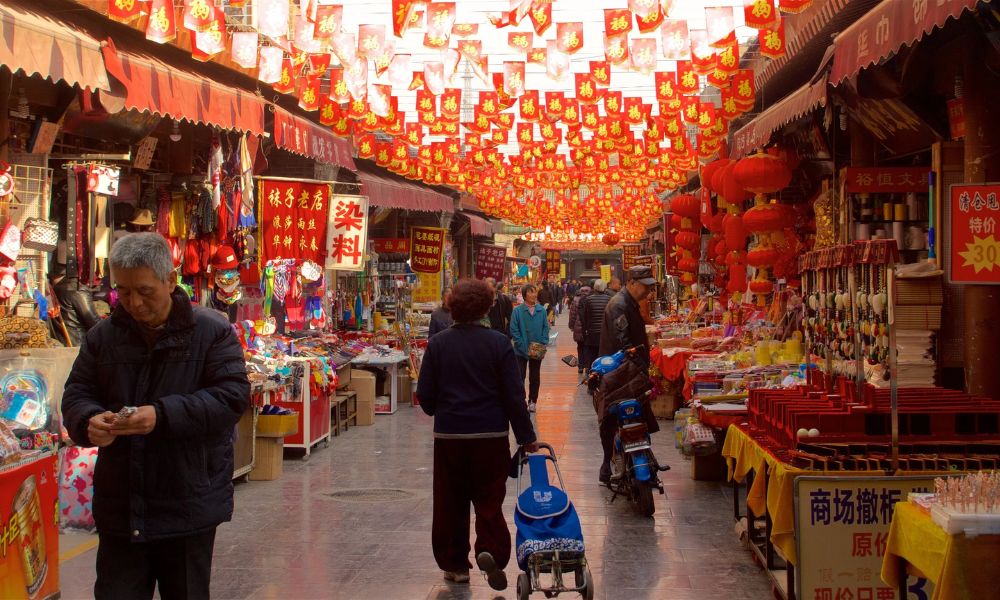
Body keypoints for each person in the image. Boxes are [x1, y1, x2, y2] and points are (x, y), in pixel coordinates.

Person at [61, 233, 250, 600]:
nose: (133, 302)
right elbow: (77, 394)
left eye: (144, 290)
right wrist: (89, 421)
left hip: (187, 502)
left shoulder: (211, 332)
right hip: (122, 504)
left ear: (170, 279)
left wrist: (161, 416)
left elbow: (231, 397)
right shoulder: (102, 337)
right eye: (123, 291)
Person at [417, 279, 539, 591]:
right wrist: (526, 437)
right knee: (489, 500)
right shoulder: (498, 344)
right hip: (490, 436)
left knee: (450, 502)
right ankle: (491, 552)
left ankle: (455, 565)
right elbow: (514, 396)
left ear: (453, 306)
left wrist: (443, 407)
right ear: (486, 308)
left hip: (450, 438)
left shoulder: (439, 344)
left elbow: (426, 399)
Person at [597, 265, 658, 484]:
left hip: (628, 371)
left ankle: (636, 461)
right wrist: (640, 366)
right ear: (631, 283)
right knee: (614, 419)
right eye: (645, 287)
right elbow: (624, 343)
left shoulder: (629, 303)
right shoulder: (619, 306)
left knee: (632, 418)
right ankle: (607, 465)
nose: (648, 292)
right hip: (620, 373)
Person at [510, 283, 550, 412]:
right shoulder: (517, 311)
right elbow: (514, 330)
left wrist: (543, 341)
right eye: (530, 292)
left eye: (534, 292)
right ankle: (520, 400)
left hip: (537, 349)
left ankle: (533, 401)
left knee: (535, 376)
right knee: (520, 376)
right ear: (524, 294)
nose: (533, 295)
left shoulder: (541, 310)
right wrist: (522, 345)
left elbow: (546, 327)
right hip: (521, 350)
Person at [49, 262, 101, 346]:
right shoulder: (77, 289)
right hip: (77, 343)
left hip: (61, 342)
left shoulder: (55, 288)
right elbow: (93, 321)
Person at [579, 279, 613, 373]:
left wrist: (586, 330)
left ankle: (592, 375)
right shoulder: (609, 299)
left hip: (592, 332)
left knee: (592, 355)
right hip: (604, 333)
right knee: (603, 355)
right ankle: (602, 374)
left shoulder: (588, 300)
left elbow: (585, 317)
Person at [567, 285, 592, 375]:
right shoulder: (591, 299)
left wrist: (571, 326)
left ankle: (580, 366)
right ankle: (587, 366)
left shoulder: (576, 299)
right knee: (587, 347)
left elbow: (572, 315)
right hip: (588, 328)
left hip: (578, 327)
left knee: (580, 347)